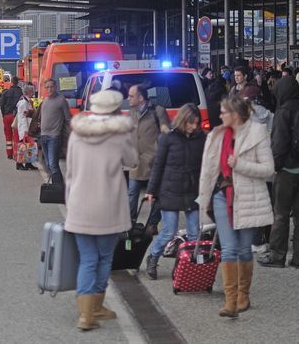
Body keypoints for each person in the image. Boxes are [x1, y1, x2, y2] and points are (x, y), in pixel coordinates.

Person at [64, 90, 138, 331]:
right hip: (109, 206)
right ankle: (97, 305)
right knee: (104, 257)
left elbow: (70, 172)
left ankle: (85, 315)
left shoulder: (77, 134)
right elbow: (132, 160)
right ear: (116, 109)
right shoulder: (119, 134)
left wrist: (70, 203)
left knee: (87, 259)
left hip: (79, 206)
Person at [198, 95, 274, 317]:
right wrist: (203, 198)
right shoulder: (217, 135)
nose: (220, 116)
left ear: (236, 115)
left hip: (248, 197)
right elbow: (207, 171)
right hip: (222, 195)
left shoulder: (257, 132)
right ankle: (230, 301)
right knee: (229, 248)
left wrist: (240, 165)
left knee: (243, 249)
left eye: (224, 112)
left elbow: (269, 169)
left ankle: (244, 294)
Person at [144, 104, 206, 280]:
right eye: (191, 123)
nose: (195, 127)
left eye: (197, 123)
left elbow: (205, 165)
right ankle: (153, 256)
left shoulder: (201, 139)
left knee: (194, 233)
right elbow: (158, 165)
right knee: (169, 231)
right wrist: (151, 190)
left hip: (192, 190)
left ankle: (187, 265)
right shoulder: (168, 138)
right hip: (170, 189)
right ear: (183, 121)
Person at [259, 75, 299, 268]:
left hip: (288, 169)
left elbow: (279, 143)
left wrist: (274, 165)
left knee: (281, 212)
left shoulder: (283, 112)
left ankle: (277, 254)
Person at [127, 84, 170, 233]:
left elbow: (166, 134)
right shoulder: (131, 112)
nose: (128, 98)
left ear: (140, 97)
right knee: (132, 193)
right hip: (135, 161)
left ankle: (152, 224)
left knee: (154, 195)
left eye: (131, 96)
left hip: (153, 161)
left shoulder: (157, 111)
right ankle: (130, 222)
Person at [40, 78, 71, 183]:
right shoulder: (45, 100)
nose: (50, 89)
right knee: (48, 164)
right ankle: (58, 185)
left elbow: (68, 119)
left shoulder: (61, 100)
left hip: (54, 136)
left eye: (52, 86)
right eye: (47, 87)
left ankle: (58, 188)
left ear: (56, 87)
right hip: (43, 135)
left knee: (53, 164)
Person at [15, 84, 38, 171]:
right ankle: (19, 163)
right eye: (32, 91)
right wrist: (25, 130)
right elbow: (23, 117)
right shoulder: (23, 103)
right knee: (22, 146)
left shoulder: (28, 101)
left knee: (30, 146)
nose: (33, 92)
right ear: (28, 92)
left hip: (28, 126)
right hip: (25, 127)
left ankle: (29, 163)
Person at [0, 77, 23, 159]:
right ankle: (16, 153)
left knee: (8, 135)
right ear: (17, 82)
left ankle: (9, 153)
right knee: (16, 135)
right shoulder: (20, 92)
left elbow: (2, 105)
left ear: (11, 82)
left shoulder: (6, 93)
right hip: (16, 116)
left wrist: (4, 115)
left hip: (7, 116)